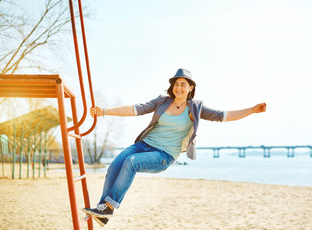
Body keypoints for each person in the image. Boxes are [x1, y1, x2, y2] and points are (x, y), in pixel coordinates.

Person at [83, 69, 266, 227]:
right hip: (143, 145)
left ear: (191, 87)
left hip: (163, 154)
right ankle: (103, 212)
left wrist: (251, 110)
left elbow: (224, 116)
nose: (179, 87)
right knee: (115, 165)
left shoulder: (196, 107)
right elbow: (135, 109)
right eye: (176, 83)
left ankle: (109, 207)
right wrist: (104, 111)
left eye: (183, 84)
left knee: (131, 163)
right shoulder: (162, 101)